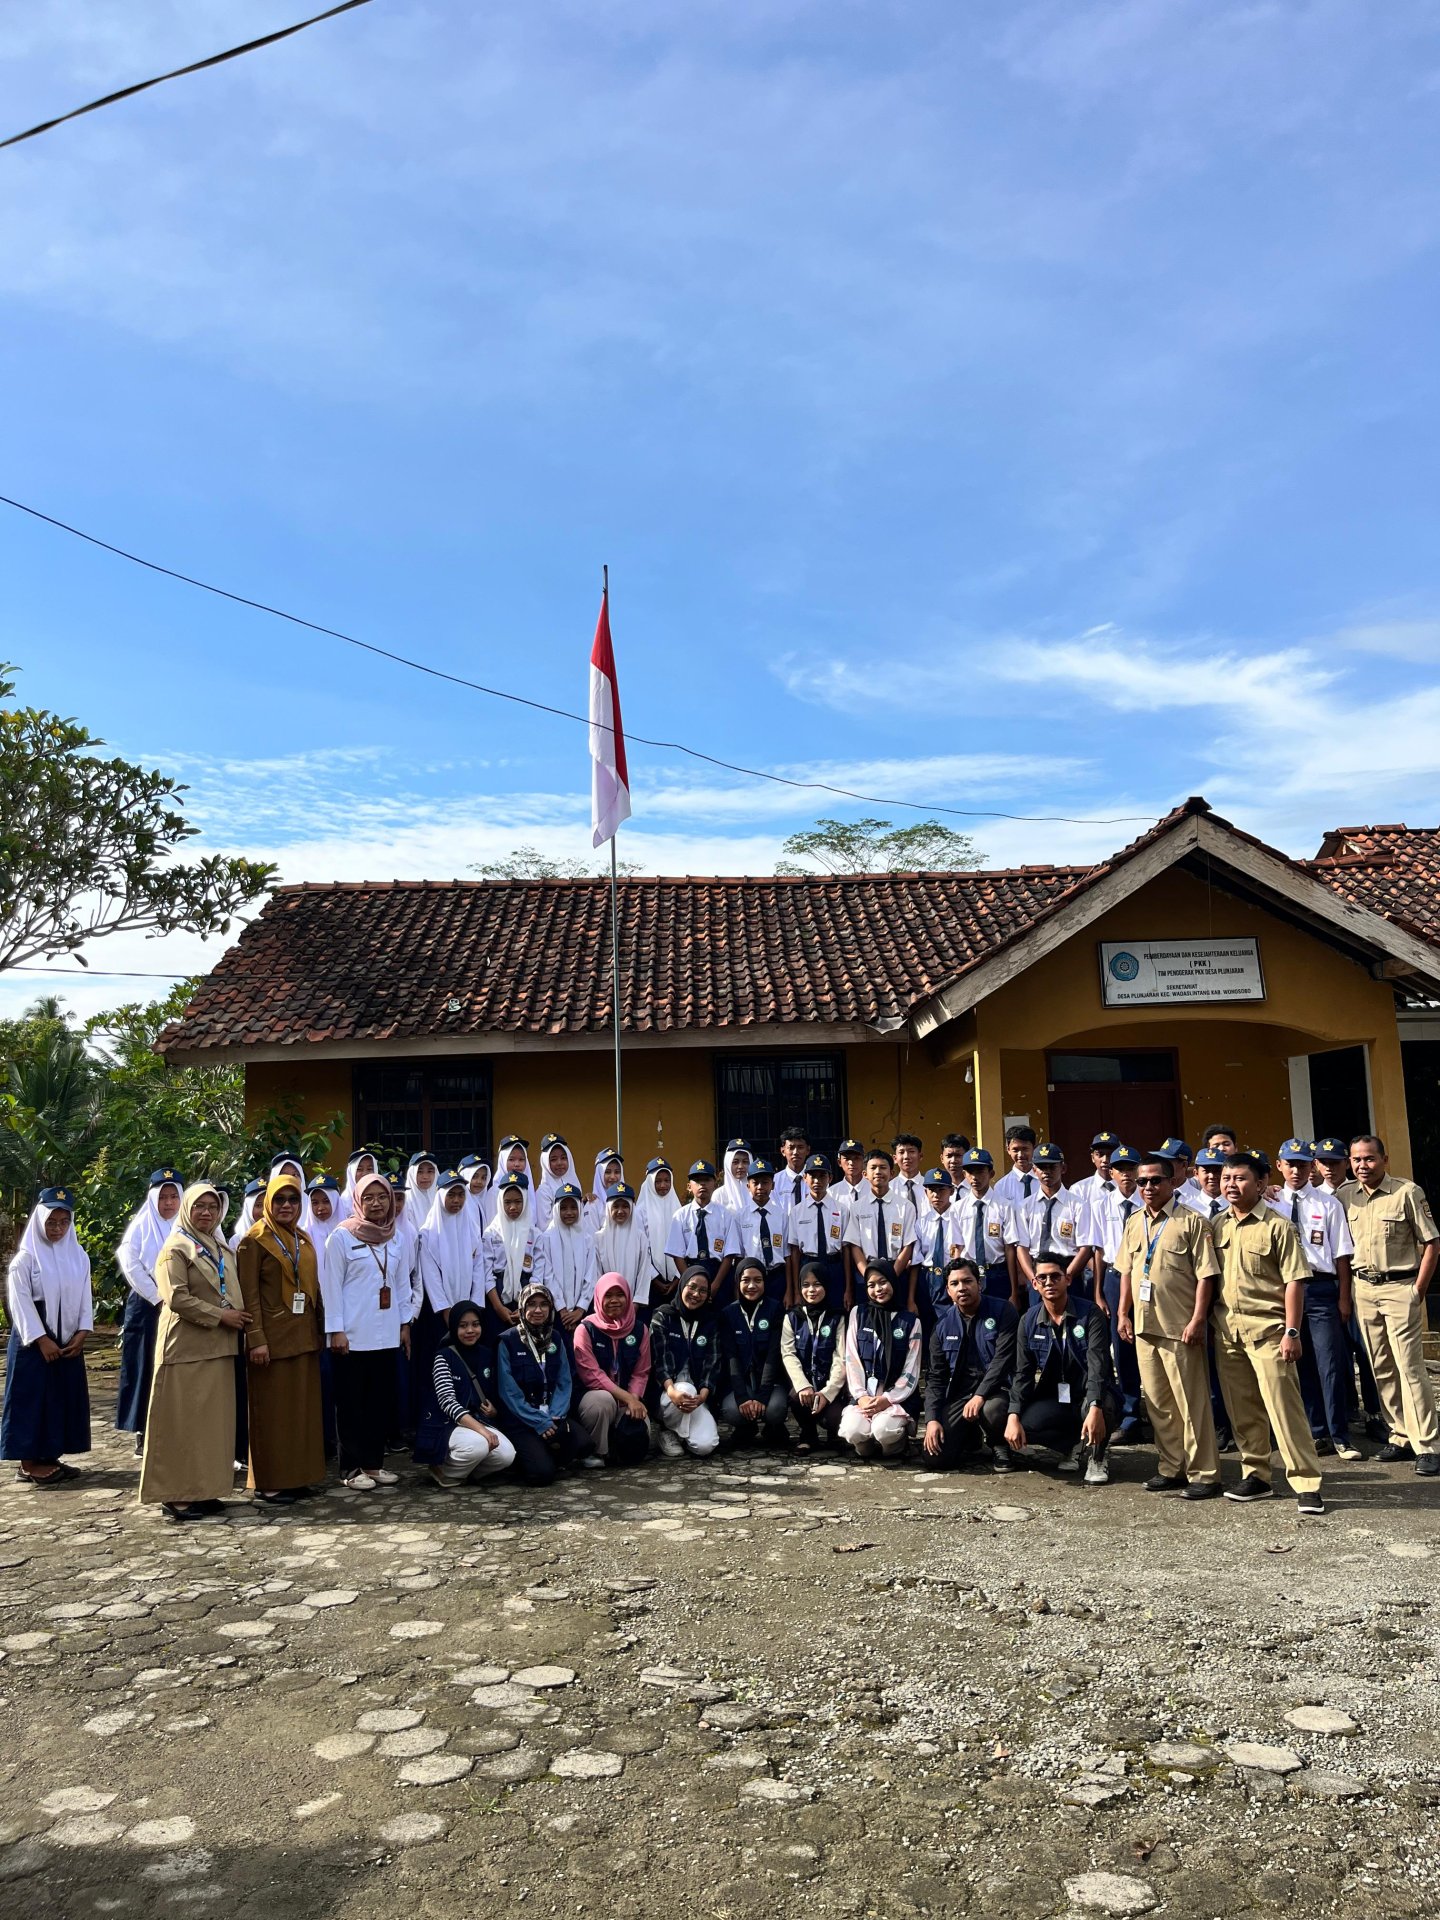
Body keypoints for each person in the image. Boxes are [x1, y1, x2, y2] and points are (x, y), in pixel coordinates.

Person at [1210, 1154, 1326, 1515]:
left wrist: (1292, 1331)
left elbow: (1294, 1281)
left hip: (1270, 1332)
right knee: (1243, 1411)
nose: (1231, 1184)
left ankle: (1306, 1481)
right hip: (1228, 1333)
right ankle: (1256, 1474)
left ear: (1261, 1184)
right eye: (1226, 1177)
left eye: (1240, 1178)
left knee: (1284, 1410)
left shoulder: (1279, 1226)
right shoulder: (1216, 1226)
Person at [140, 1182, 252, 1522]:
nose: (206, 1212)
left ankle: (202, 1489)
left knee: (209, 1426)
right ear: (187, 1209)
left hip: (218, 1347)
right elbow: (176, 1297)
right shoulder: (175, 1248)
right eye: (199, 1206)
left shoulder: (218, 1246)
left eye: (213, 1206)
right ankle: (175, 1495)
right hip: (185, 1347)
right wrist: (221, 1316)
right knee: (180, 1424)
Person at [1114, 1157, 1221, 1499]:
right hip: (1146, 1325)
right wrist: (1123, 1313)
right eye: (1142, 1182)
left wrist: (1198, 1319)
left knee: (1192, 1403)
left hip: (1180, 1326)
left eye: (1155, 1181)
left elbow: (1206, 1275)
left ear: (1172, 1182)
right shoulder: (1134, 1222)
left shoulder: (1191, 1221)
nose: (1147, 1187)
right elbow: (1127, 1272)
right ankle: (1170, 1467)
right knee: (1158, 1403)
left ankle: (1204, 1473)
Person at [1339, 1135, 1440, 1476]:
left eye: (1369, 1158)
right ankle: (1400, 1435)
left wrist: (1418, 1290)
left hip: (1400, 1286)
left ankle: (1426, 1444)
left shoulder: (1406, 1192)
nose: (1362, 1165)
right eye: (1356, 1160)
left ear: (1384, 1159)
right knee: (1381, 1366)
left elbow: (1431, 1243)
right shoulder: (1344, 1195)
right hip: (1362, 1288)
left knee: (1410, 1367)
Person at [236, 1171, 325, 1505]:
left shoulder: (301, 1238)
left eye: (293, 1199)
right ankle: (269, 1482)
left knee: (300, 1412)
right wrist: (256, 1338)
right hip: (270, 1342)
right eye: (279, 1199)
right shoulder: (254, 1241)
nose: (286, 1206)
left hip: (302, 1336)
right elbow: (249, 1296)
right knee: (271, 1413)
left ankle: (297, 1477)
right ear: (267, 1203)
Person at [321, 1172, 415, 1492]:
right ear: (358, 1202)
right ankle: (349, 1468)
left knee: (379, 1402)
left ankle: (374, 1465)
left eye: (383, 1197)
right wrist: (336, 1330)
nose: (377, 1204)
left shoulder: (397, 1237)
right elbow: (330, 1287)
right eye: (369, 1198)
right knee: (351, 1404)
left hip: (387, 1334)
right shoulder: (342, 1237)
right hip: (352, 1335)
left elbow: (402, 1285)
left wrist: (405, 1325)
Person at [1273, 1138, 1360, 1460]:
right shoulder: (1272, 1202)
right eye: (1290, 1163)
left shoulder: (1327, 1204)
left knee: (1331, 1363)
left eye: (1302, 1164)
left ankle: (1340, 1435)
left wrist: (1344, 1297)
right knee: (1299, 1363)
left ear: (1312, 1167)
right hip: (1284, 1291)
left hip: (1321, 1288)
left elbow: (1341, 1256)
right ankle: (1317, 1432)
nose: (1296, 1170)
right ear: (1279, 1165)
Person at [2, 1186, 92, 1487]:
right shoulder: (25, 1260)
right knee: (32, 1399)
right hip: (35, 1344)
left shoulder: (78, 1256)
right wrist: (41, 1340)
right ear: (40, 1221)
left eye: (64, 1222)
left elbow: (84, 1298)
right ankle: (28, 1463)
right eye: (52, 1222)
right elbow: (21, 1305)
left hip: (67, 1341)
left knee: (59, 1399)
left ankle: (49, 1455)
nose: (57, 1228)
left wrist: (82, 1332)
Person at [1005, 1254, 1117, 1487]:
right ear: (1034, 1284)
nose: (1049, 1282)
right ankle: (1072, 1446)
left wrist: (1095, 1405)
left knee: (1102, 1405)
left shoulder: (1090, 1314)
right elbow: (1022, 1373)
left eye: (1055, 1276)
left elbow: (1099, 1365)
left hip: (1089, 1392)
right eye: (1042, 1278)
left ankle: (1097, 1457)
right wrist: (1013, 1415)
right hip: (1056, 1396)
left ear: (1067, 1279)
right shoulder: (1028, 1320)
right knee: (1024, 1425)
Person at [921, 1258, 1017, 1473]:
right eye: (954, 1284)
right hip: (961, 1394)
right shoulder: (942, 1325)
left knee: (993, 1410)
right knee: (935, 1458)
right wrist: (931, 1420)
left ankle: (999, 1444)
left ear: (979, 1283)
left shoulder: (1003, 1311)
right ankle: (969, 1435)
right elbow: (936, 1377)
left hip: (997, 1389)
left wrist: (980, 1395)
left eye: (967, 1281)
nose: (961, 1288)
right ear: (947, 1289)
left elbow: (1003, 1360)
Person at [413, 1299, 517, 1489]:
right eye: (463, 1326)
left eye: (475, 1325)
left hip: (479, 1421)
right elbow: (447, 1402)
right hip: (448, 1424)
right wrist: (482, 1430)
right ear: (453, 1327)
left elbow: (495, 1391)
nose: (470, 1330)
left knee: (506, 1455)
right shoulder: (443, 1357)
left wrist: (494, 1409)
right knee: (479, 1444)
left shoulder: (487, 1354)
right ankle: (444, 1470)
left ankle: (465, 1473)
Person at [114, 1168, 183, 1455]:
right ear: (153, 1199)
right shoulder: (141, 1227)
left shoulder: (185, 1224)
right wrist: (158, 1298)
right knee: (145, 1367)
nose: (168, 1203)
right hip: (147, 1306)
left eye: (173, 1197)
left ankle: (174, 1427)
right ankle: (143, 1430)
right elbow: (131, 1265)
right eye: (163, 1197)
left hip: (180, 1305)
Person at [496, 1284, 585, 1483]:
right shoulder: (508, 1341)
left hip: (551, 1415)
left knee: (585, 1444)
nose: (538, 1310)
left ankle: (543, 1455)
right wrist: (538, 1420)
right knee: (542, 1476)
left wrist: (555, 1414)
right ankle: (528, 1462)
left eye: (544, 1304)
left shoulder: (556, 1338)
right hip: (521, 1420)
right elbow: (508, 1391)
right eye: (532, 1304)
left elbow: (564, 1381)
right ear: (521, 1309)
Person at [1089, 1145, 1147, 1442]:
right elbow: (1098, 1251)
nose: (1126, 1174)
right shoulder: (1101, 1204)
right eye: (1120, 1168)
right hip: (1113, 1276)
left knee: (1149, 1341)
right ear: (1110, 1172)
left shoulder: (1149, 1202)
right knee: (1120, 1346)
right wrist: (1098, 1293)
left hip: (1144, 1276)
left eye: (1131, 1168)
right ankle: (1129, 1414)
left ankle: (1159, 1413)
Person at [837, 1259, 922, 1460]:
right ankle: (866, 1448)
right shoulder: (859, 1313)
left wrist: (888, 1399)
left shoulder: (910, 1321)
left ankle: (897, 1447)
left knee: (884, 1430)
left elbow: (912, 1368)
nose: (878, 1289)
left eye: (883, 1282)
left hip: (895, 1398)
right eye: (871, 1285)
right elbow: (852, 1358)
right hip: (865, 1397)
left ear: (893, 1280)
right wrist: (860, 1396)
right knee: (852, 1430)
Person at [572, 1274, 652, 1466]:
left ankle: (617, 1450)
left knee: (642, 1431)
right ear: (599, 1298)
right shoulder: (585, 1329)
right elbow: (592, 1375)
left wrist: (634, 1399)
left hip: (627, 1398)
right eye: (608, 1296)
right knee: (602, 1401)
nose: (615, 1300)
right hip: (594, 1398)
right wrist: (629, 1399)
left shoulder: (640, 1329)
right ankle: (597, 1452)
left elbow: (641, 1372)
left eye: (620, 1294)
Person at [649, 1264, 723, 1458]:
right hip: (667, 1394)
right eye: (692, 1287)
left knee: (706, 1446)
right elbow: (659, 1361)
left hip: (697, 1399)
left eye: (703, 1291)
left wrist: (704, 1395)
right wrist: (672, 1391)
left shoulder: (710, 1322)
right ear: (682, 1286)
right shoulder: (662, 1317)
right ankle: (667, 1428)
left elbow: (712, 1362)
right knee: (686, 1390)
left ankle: (680, 1433)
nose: (696, 1294)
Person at [720, 1257, 789, 1447]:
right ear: (737, 1282)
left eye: (758, 1280)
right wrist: (742, 1397)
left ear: (765, 1282)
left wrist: (762, 1397)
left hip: (769, 1383)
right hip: (742, 1382)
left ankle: (773, 1427)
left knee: (775, 1409)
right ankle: (745, 1428)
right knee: (732, 1410)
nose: (752, 1285)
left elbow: (773, 1356)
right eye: (746, 1280)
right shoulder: (728, 1314)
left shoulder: (775, 1309)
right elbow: (731, 1357)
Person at [781, 1260, 847, 1451]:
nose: (812, 1290)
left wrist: (827, 1393)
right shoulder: (792, 1317)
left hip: (830, 1388)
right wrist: (803, 1385)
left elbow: (840, 1357)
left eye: (817, 1284)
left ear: (826, 1286)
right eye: (806, 1285)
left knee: (834, 1418)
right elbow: (788, 1354)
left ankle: (834, 1435)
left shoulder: (837, 1317)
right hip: (806, 1389)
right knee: (795, 1396)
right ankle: (808, 1433)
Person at [841, 1150, 917, 1312]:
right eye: (873, 1168)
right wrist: (869, 1276)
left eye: (883, 1167)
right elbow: (854, 1246)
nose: (878, 1172)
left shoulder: (905, 1206)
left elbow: (908, 1246)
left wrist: (890, 1276)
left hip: (897, 1272)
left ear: (892, 1172)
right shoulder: (857, 1208)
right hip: (866, 1275)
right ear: (865, 1174)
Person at [1015, 1144, 1095, 1293]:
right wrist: (1034, 1279)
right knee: (1037, 1316)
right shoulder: (1024, 1206)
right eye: (1041, 1167)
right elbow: (1022, 1247)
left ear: (1063, 1168)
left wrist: (1066, 1277)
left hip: (1068, 1272)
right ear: (1034, 1170)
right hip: (1037, 1272)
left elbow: (1085, 1248)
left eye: (1052, 1167)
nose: (1046, 1172)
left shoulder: (1078, 1204)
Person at [477, 1170, 545, 1334]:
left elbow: (538, 1272)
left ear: (526, 1201)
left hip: (528, 1295)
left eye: (518, 1201)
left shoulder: (534, 1233)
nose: (513, 1207)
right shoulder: (491, 1233)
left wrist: (526, 1306)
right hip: (497, 1297)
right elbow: (486, 1273)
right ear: (500, 1202)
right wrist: (499, 1307)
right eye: (507, 1202)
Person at [952, 1149, 1024, 1305]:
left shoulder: (1005, 1206)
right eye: (970, 1172)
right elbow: (958, 1248)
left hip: (997, 1272)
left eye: (980, 1172)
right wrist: (955, 1283)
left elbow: (1009, 1249)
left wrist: (1014, 1291)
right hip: (969, 1273)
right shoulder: (957, 1208)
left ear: (991, 1174)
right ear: (964, 1175)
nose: (975, 1177)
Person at [783, 1153, 848, 1310]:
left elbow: (846, 1250)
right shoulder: (797, 1211)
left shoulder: (841, 1209)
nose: (817, 1181)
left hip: (834, 1265)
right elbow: (794, 1252)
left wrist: (849, 1289)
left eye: (822, 1175)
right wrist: (796, 1291)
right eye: (813, 1176)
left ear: (830, 1178)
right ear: (805, 1177)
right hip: (808, 1265)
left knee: (835, 1312)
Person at [718, 1158, 786, 1305]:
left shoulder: (782, 1215)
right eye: (755, 1183)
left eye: (765, 1182)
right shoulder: (739, 1217)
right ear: (748, 1186)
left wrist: (790, 1290)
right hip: (750, 1278)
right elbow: (738, 1256)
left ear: (773, 1185)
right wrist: (737, 1289)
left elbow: (788, 1255)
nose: (760, 1187)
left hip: (776, 1276)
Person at [539, 1182, 597, 1332]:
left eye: (573, 1207)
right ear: (556, 1209)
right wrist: (562, 1308)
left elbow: (591, 1275)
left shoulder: (588, 1238)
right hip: (555, 1311)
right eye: (563, 1208)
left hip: (583, 1311)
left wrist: (580, 1308)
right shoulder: (547, 1237)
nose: (569, 1212)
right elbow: (548, 1275)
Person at [663, 1160, 732, 1285]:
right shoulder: (680, 1216)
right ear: (689, 1186)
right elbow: (677, 1255)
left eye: (707, 1180)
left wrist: (716, 1284)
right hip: (690, 1270)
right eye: (697, 1181)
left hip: (718, 1272)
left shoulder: (725, 1215)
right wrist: (690, 1282)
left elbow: (729, 1255)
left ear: (715, 1184)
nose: (702, 1184)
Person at [914, 1168, 961, 1339]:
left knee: (952, 1318)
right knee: (928, 1319)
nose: (936, 1195)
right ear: (925, 1192)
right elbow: (917, 1257)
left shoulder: (959, 1217)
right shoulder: (921, 1222)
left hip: (951, 1273)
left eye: (941, 1190)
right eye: (932, 1190)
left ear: (951, 1190)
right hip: (928, 1276)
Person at [593, 1183, 654, 1313]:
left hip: (633, 1305)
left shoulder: (640, 1237)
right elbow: (596, 1273)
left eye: (625, 1206)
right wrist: (605, 1300)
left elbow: (644, 1271)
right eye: (615, 1206)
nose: (620, 1211)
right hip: (606, 1305)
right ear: (608, 1208)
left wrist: (637, 1302)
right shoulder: (598, 1238)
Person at [636, 1158, 682, 1307]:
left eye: (667, 1180)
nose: (663, 1185)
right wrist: (654, 1279)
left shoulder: (679, 1209)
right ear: (649, 1182)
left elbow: (683, 1245)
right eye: (658, 1181)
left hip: (677, 1279)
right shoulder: (640, 1212)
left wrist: (677, 1277)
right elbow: (640, 1248)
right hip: (650, 1281)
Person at [535, 1133, 581, 1229]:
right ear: (545, 1162)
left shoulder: (575, 1183)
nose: (559, 1163)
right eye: (553, 1159)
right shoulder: (544, 1191)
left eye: (563, 1158)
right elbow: (544, 1226)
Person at [991, 1125, 1039, 1206]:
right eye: (1015, 1150)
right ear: (1008, 1149)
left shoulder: (1044, 1181)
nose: (1020, 1155)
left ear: (1034, 1148)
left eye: (1025, 1149)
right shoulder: (1001, 1186)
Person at [1072, 1132, 1122, 1205]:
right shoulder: (1079, 1190)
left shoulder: (1129, 1187)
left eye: (1110, 1154)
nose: (1105, 1160)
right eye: (1100, 1154)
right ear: (1092, 1157)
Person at [304, 1175, 345, 1264]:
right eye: (315, 1203)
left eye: (326, 1201)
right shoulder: (303, 1235)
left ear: (335, 1201)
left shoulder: (349, 1233)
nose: (320, 1208)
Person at [775, 1126, 812, 1219]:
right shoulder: (775, 1181)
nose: (795, 1152)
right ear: (783, 1151)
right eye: (791, 1147)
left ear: (808, 1150)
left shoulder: (816, 1179)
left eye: (800, 1147)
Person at [891, 1133, 926, 1224]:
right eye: (901, 1152)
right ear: (895, 1158)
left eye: (911, 1151)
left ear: (920, 1156)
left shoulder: (930, 1187)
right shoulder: (889, 1188)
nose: (906, 1157)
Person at [720, 1139, 754, 1216]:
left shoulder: (757, 1192)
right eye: (735, 1162)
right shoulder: (719, 1195)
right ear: (727, 1164)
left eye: (745, 1162)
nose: (740, 1166)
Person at [833, 1138, 868, 1209]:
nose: (851, 1163)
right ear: (839, 1162)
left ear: (864, 1161)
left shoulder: (873, 1189)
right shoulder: (832, 1193)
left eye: (856, 1158)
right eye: (847, 1158)